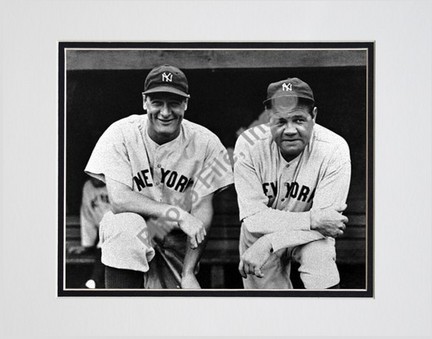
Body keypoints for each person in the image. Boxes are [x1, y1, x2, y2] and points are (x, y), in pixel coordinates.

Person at [84, 64, 233, 289]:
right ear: (144, 101)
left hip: (177, 242)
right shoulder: (120, 133)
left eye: (173, 103)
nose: (165, 112)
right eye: (157, 102)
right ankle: (120, 308)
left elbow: (202, 210)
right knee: (123, 223)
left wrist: (189, 272)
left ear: (186, 104)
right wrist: (178, 214)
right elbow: (119, 200)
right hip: (131, 239)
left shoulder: (207, 143)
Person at [234, 77, 351, 289]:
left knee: (319, 257)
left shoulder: (334, 149)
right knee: (267, 310)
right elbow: (254, 220)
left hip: (308, 237)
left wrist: (270, 242)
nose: (289, 130)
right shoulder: (249, 145)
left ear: (313, 116)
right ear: (269, 119)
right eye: (280, 121)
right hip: (260, 235)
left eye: (298, 120)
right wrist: (312, 219)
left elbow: (328, 224)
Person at [68, 176, 111, 288]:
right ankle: (95, 281)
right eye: (92, 175)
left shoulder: (116, 183)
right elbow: (87, 216)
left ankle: (94, 280)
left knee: (105, 242)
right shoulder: (88, 187)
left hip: (117, 229)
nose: (94, 180)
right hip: (101, 231)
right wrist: (87, 244)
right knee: (102, 243)